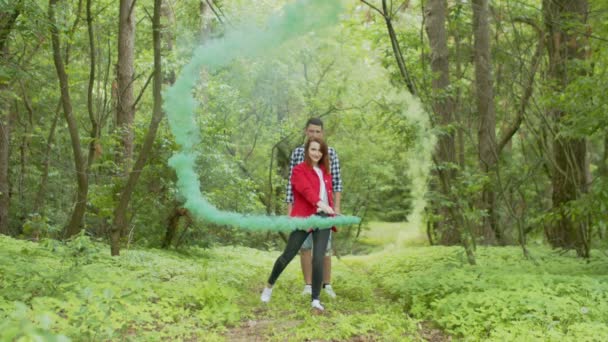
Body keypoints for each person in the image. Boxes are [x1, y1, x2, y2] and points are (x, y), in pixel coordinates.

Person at [261, 137, 336, 311]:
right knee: (288, 254)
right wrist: (320, 203)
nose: (316, 153)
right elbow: (306, 191)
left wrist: (330, 209)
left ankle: (315, 299)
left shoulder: (325, 172)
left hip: (324, 219)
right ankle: (269, 286)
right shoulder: (298, 170)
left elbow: (329, 195)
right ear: (307, 151)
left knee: (318, 258)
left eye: (319, 150)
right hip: (305, 218)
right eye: (313, 149)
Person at [286, 118, 341, 298]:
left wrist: (336, 211)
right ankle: (308, 285)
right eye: (311, 131)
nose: (314, 134)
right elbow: (291, 186)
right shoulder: (297, 154)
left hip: (325, 211)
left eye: (318, 132)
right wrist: (289, 213)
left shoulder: (330, 153)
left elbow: (337, 183)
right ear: (306, 132)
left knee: (325, 249)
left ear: (322, 133)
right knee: (305, 247)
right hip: (303, 210)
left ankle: (327, 284)